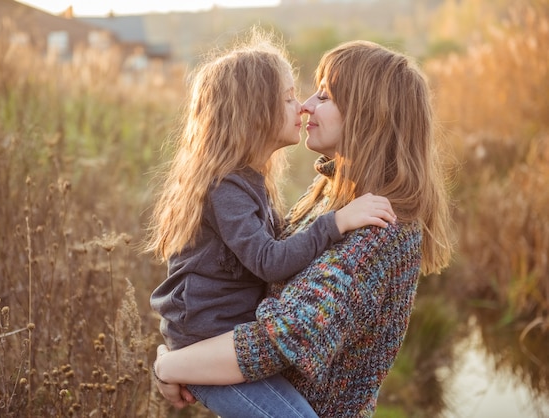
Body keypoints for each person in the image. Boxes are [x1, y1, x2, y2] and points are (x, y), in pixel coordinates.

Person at [152, 39, 453, 418]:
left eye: (324, 97)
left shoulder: (381, 227)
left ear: (368, 115)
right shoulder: (329, 193)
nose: (307, 105)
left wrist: (170, 365)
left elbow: (281, 338)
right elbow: (264, 267)